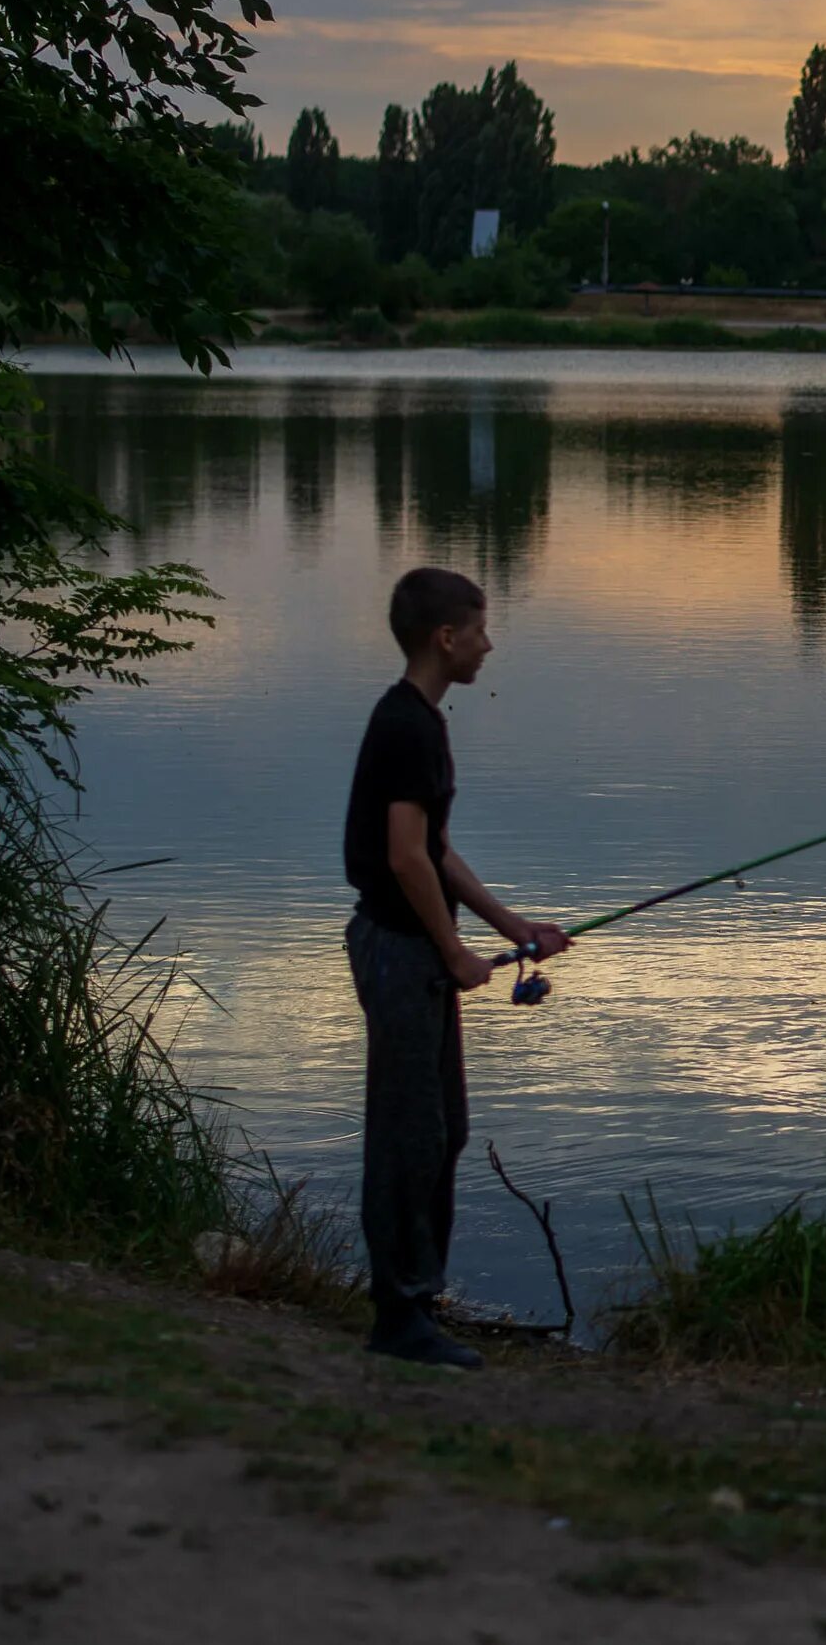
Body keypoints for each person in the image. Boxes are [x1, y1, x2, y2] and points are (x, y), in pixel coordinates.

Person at [341, 566, 569, 1368]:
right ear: (447, 638)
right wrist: (454, 952)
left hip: (416, 950)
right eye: (479, 629)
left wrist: (514, 928)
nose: (488, 642)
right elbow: (405, 860)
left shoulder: (420, 723)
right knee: (409, 1135)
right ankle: (398, 1319)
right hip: (400, 951)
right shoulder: (407, 726)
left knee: (444, 1129)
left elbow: (436, 852)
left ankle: (417, 1302)